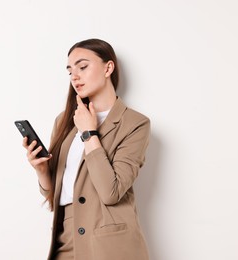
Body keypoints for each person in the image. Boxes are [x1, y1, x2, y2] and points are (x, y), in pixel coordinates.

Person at [22, 38, 150, 260]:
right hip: (65, 240)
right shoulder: (64, 122)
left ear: (108, 68)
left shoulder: (135, 123)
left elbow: (111, 193)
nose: (74, 76)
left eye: (83, 67)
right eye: (70, 71)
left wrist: (89, 134)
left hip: (109, 246)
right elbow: (54, 199)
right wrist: (42, 171)